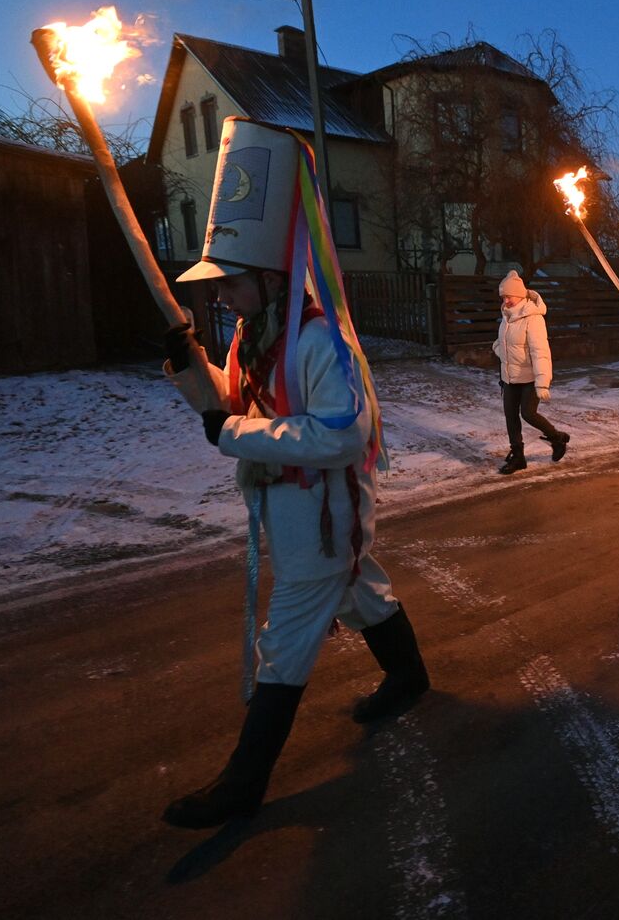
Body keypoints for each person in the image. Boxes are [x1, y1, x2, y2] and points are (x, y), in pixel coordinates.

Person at [161, 120, 428, 829]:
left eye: (228, 284)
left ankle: (241, 786)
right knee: (363, 591)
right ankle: (409, 676)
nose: (219, 298)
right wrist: (191, 368)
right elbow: (234, 406)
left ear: (268, 278)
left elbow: (344, 432)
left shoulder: (317, 338)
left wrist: (235, 433)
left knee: (283, 646)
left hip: (321, 520)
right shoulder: (257, 335)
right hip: (293, 514)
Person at [492, 269, 569, 475]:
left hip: (529, 377)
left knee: (528, 413)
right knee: (510, 415)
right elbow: (506, 343)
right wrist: (498, 349)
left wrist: (542, 382)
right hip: (509, 376)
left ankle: (557, 438)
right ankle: (518, 457)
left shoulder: (533, 318)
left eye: (508, 296)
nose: (505, 300)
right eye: (503, 297)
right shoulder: (506, 316)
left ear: (519, 295)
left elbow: (540, 351)